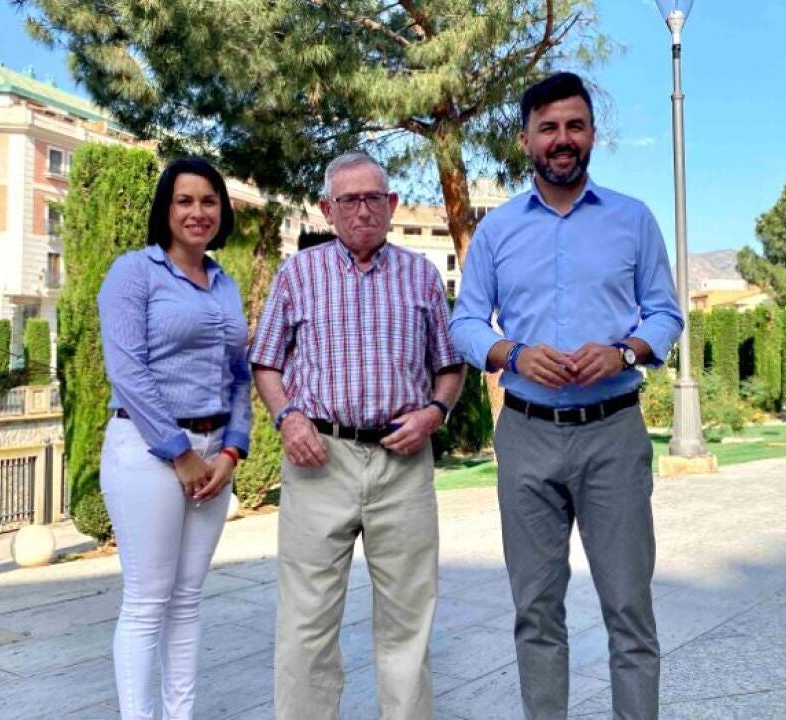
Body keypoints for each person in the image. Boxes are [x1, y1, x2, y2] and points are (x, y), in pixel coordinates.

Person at [450, 72, 684, 719]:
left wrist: (624, 351)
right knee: (536, 611)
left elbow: (665, 313)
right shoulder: (497, 230)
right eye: (548, 127)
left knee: (629, 608)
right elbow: (465, 322)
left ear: (592, 135)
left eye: (574, 126)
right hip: (526, 434)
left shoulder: (632, 220)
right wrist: (512, 353)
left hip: (613, 434)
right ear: (526, 140)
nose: (562, 139)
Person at [250, 150, 465, 720]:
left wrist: (434, 414)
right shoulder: (298, 273)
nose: (363, 210)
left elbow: (450, 366)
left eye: (374, 198)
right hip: (319, 459)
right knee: (306, 622)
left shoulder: (421, 275)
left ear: (391, 204)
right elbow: (265, 362)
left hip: (402, 463)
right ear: (327, 209)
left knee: (408, 622)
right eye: (349, 200)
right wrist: (288, 418)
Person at [97, 157, 252, 720]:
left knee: (186, 601)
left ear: (222, 211)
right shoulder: (134, 272)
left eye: (209, 201)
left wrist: (232, 449)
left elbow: (239, 374)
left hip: (213, 455)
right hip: (147, 452)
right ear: (166, 208)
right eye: (184, 200)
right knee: (147, 601)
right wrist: (180, 453)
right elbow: (127, 371)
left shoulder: (225, 284)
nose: (197, 212)